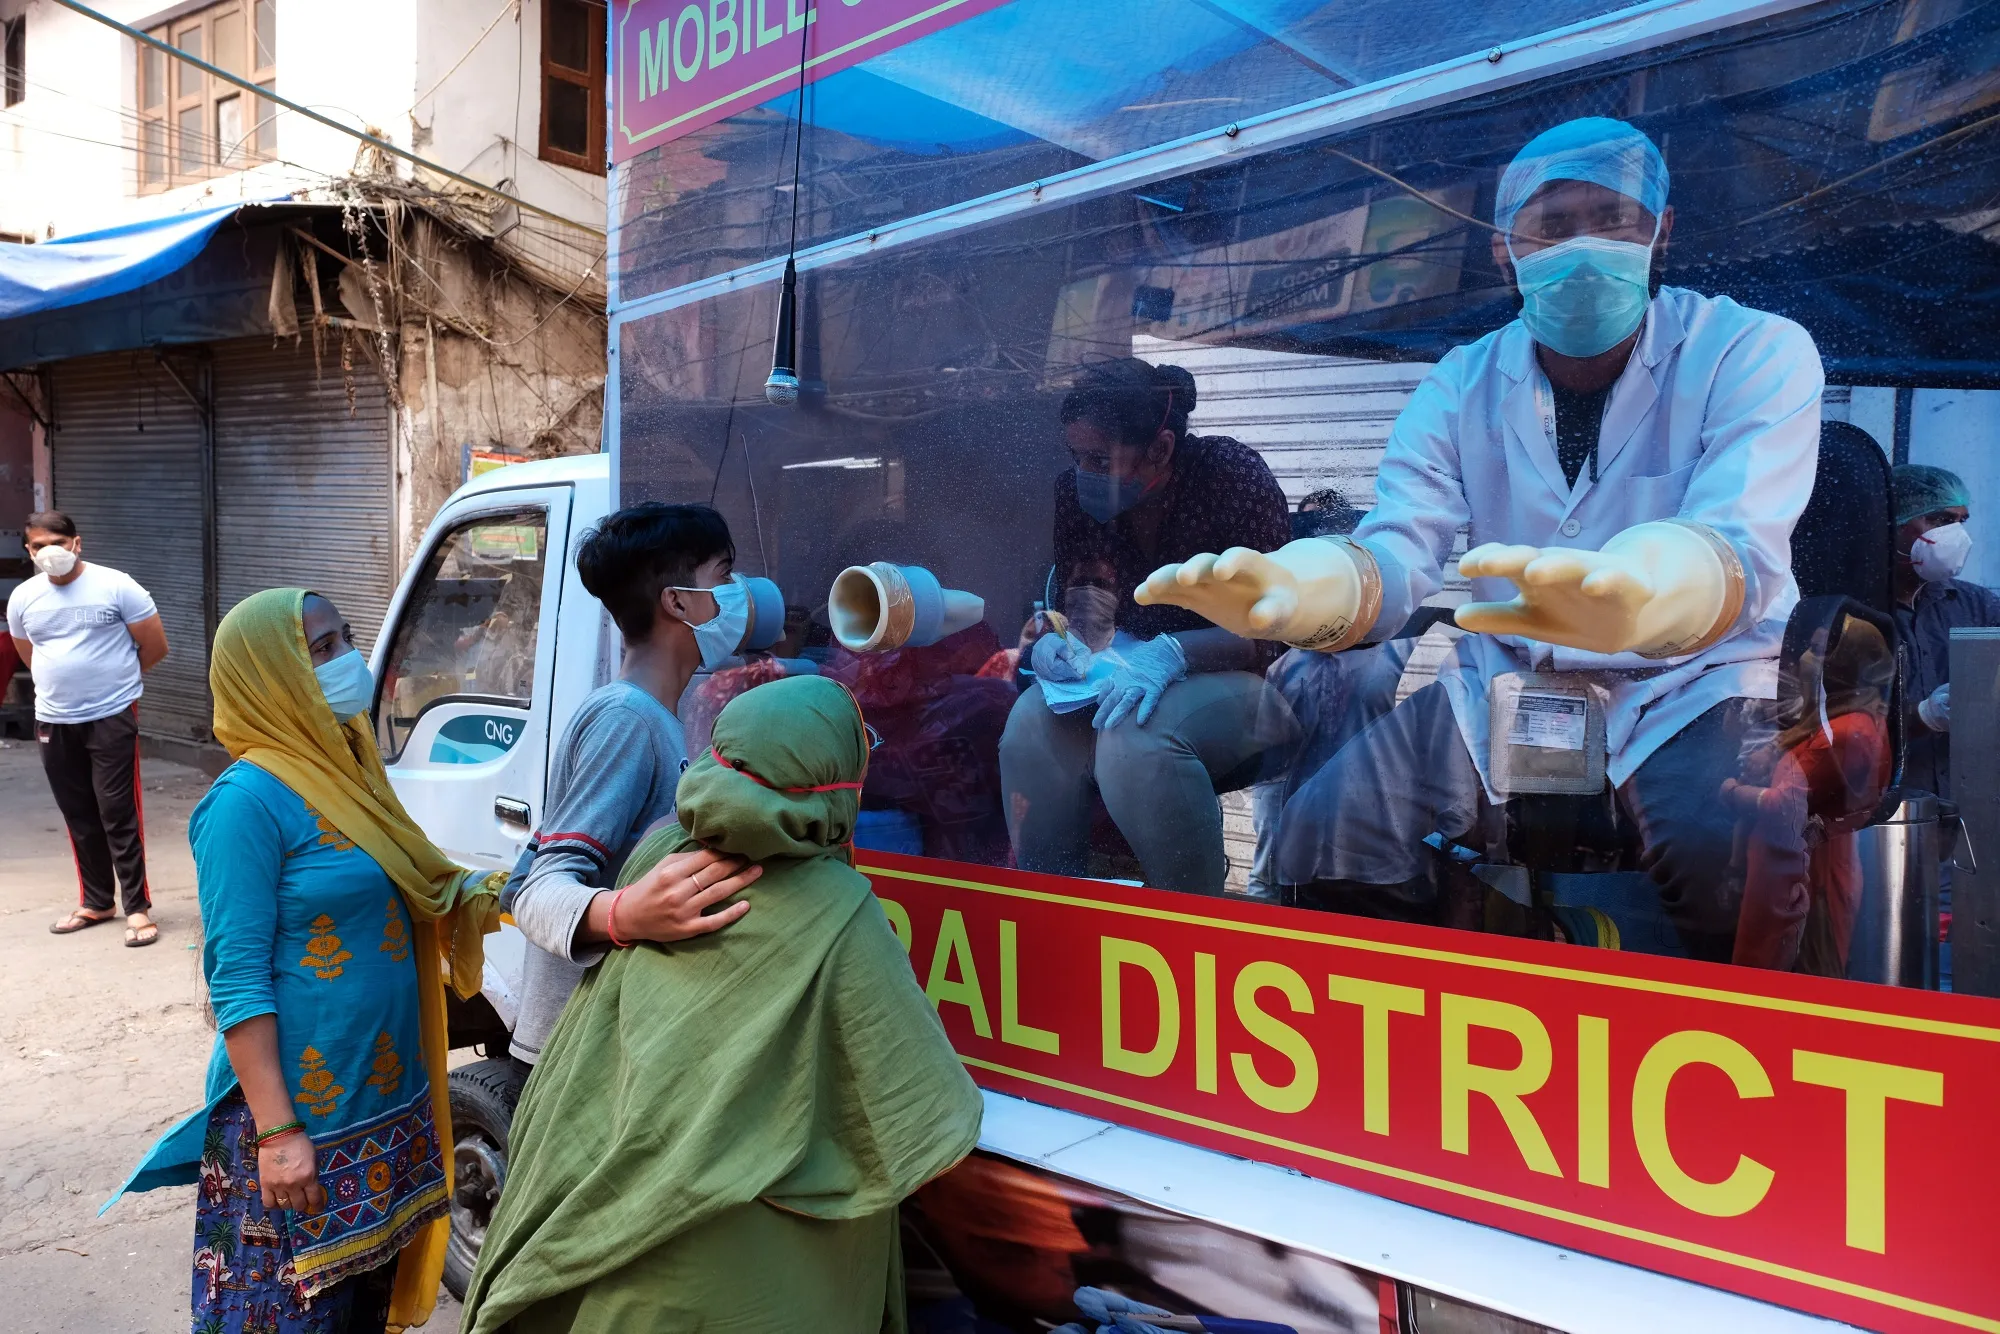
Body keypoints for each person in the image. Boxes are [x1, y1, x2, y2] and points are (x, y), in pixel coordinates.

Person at [1141, 118, 1823, 960]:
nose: (1583, 247)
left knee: (1731, 856)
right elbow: (1400, 544)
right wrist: (1312, 591)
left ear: (1661, 230)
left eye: (1612, 219)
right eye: (1553, 225)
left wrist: (1651, 601)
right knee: (1326, 833)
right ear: (1505, 247)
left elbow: (1740, 538)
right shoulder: (1460, 382)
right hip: (1512, 684)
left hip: (1693, 682)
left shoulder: (1751, 350)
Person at [460, 675, 983, 1334]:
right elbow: (927, 1111)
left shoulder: (659, 853)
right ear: (839, 782)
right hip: (752, 1280)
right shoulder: (842, 911)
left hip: (611, 1228)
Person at [107, 588, 504, 1334]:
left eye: (344, 639)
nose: (347, 660)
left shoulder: (352, 776)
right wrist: (279, 1137)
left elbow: (429, 883)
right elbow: (237, 980)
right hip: (300, 1134)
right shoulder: (245, 803)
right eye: (320, 649)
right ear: (271, 675)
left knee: (361, 1317)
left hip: (381, 1113)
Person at [999, 357, 1294, 894]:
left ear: (1160, 449)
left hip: (1261, 683)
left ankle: (1189, 924)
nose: (1083, 473)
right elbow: (1087, 609)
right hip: (1126, 669)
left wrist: (1175, 653)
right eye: (1076, 457)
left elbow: (1274, 628)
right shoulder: (1074, 495)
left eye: (1100, 458)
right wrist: (1059, 645)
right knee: (1028, 722)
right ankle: (1046, 914)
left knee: (1135, 737)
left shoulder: (1230, 475)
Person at [505, 503, 767, 1070]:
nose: (738, 592)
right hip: (578, 1060)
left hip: (614, 1045)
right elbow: (537, 891)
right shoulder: (626, 719)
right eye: (723, 575)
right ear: (677, 602)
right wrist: (627, 914)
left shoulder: (663, 716)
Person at [7, 510, 169, 947]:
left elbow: (155, 644)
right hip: (54, 719)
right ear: (29, 551)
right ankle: (97, 901)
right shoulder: (23, 597)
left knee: (118, 812)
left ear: (77, 543)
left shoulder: (116, 585)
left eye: (58, 542)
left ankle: (137, 907)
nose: (49, 552)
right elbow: (29, 652)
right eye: (39, 545)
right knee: (78, 814)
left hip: (111, 714)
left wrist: (116, 683)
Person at [1890, 463, 2000, 799]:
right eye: (1940, 520)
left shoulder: (1976, 605)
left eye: (1960, 521)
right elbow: (1835, 723)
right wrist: (1923, 715)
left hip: (1972, 807)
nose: (1956, 535)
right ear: (1893, 521)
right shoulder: (1854, 613)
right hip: (1888, 816)